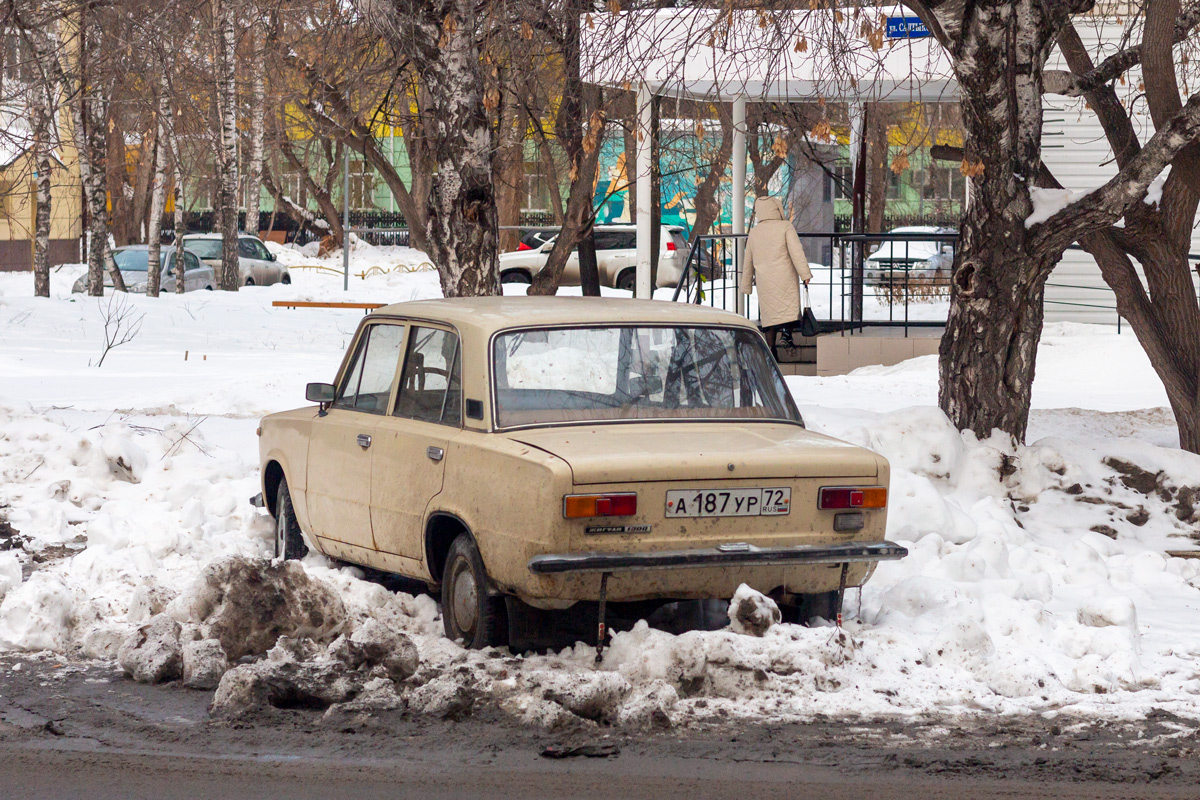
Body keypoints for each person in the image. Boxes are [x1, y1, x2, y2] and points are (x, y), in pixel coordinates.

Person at [739, 195, 812, 354]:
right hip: (785, 276)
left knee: (769, 316)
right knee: (788, 309)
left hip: (764, 280)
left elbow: (748, 259)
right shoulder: (785, 227)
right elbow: (796, 252)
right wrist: (804, 274)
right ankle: (787, 334)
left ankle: (771, 350)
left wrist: (746, 285)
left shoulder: (754, 232)